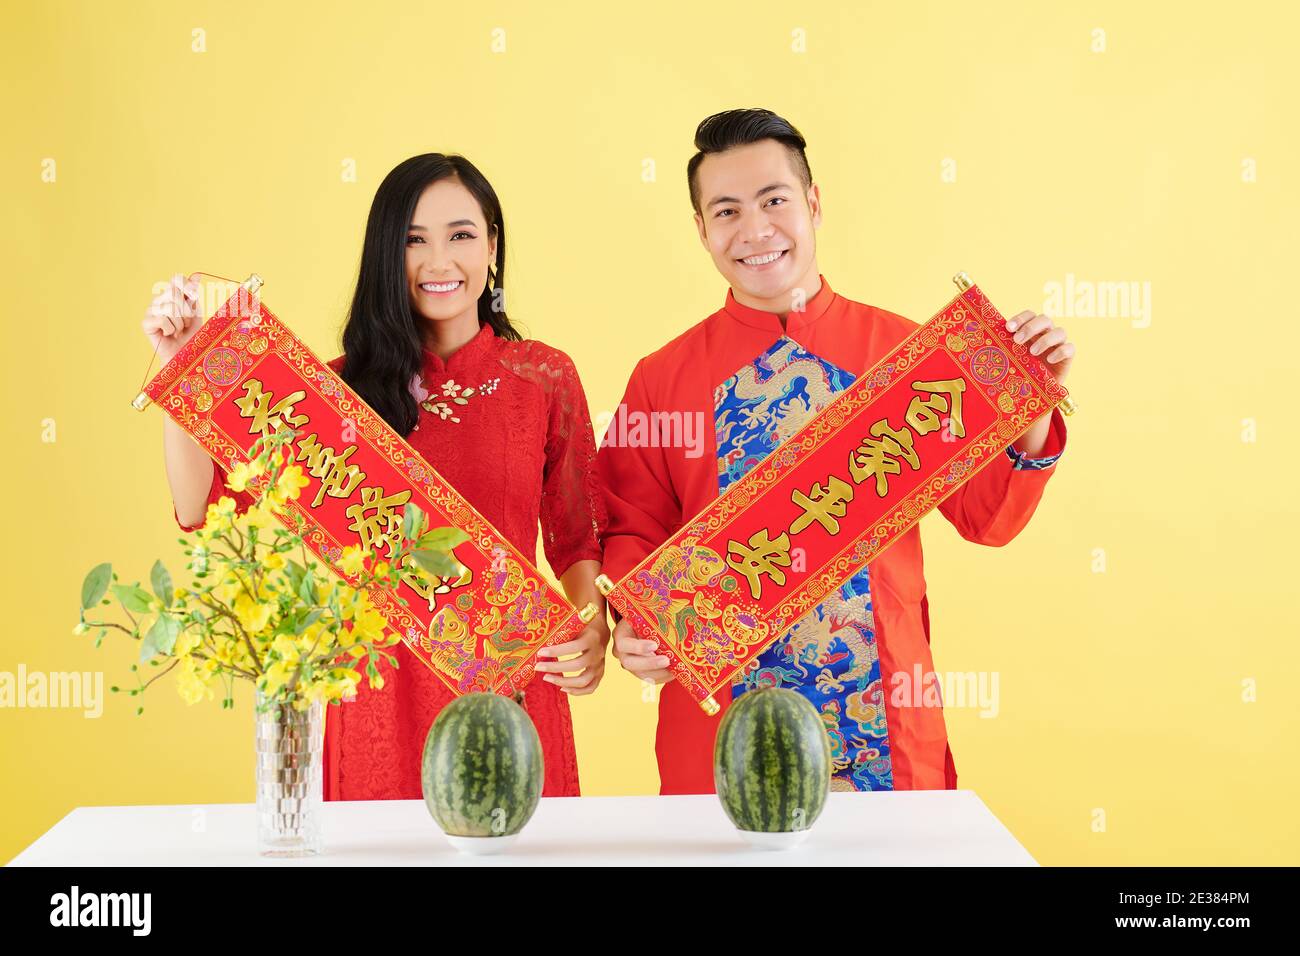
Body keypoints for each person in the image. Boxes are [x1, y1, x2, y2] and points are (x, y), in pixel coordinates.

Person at [598, 109, 1076, 794]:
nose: (755, 230)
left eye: (774, 201)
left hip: (884, 714)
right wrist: (636, 627)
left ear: (813, 205)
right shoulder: (664, 376)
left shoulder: (907, 357)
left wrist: (1025, 404)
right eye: (727, 211)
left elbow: (987, 519)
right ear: (702, 230)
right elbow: (630, 527)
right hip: (724, 726)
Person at [143, 153, 610, 799]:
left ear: (494, 245)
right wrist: (183, 371)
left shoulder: (542, 377)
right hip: (374, 687)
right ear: (387, 255)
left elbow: (577, 536)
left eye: (462, 235)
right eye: (414, 240)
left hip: (509, 669)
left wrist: (591, 627)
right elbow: (203, 504)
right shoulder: (335, 392)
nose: (439, 261)